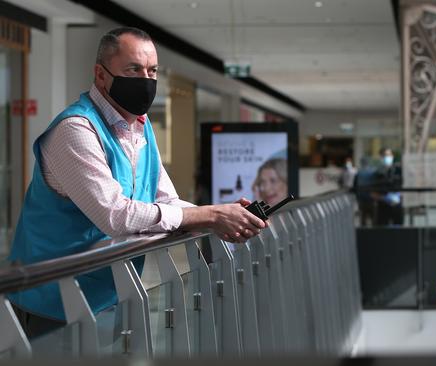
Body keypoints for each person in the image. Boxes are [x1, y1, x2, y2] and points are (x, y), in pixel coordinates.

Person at [7, 27, 267, 338]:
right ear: (100, 75)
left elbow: (167, 201)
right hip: (54, 303)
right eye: (133, 69)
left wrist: (225, 217)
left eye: (152, 70)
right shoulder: (75, 130)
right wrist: (211, 216)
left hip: (114, 293)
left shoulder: (140, 129)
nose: (146, 79)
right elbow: (116, 215)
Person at [375, 148, 403, 226]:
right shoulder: (378, 173)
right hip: (383, 207)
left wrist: (398, 195)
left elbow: (403, 185)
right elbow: (373, 192)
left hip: (397, 206)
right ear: (381, 157)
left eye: (389, 155)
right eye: (385, 155)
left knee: (398, 229)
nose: (388, 157)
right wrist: (385, 198)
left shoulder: (398, 170)